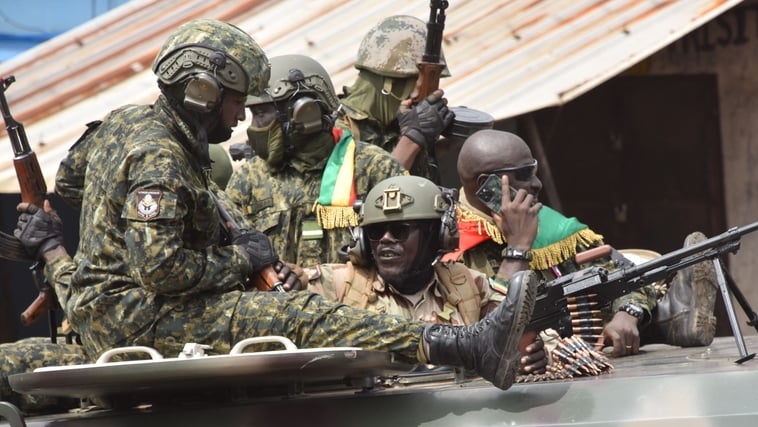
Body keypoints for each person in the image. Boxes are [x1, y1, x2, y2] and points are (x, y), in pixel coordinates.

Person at [11, 18, 539, 392]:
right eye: (238, 100)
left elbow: (72, 179)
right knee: (303, 316)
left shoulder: (126, 123)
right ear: (200, 92)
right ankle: (464, 346)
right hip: (138, 317)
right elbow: (162, 268)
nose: (242, 118)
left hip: (105, 307)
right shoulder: (161, 156)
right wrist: (244, 255)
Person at [447, 129, 718, 356]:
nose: (537, 183)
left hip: (588, 352)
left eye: (535, 171)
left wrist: (628, 313)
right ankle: (670, 319)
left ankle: (671, 320)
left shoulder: (548, 224)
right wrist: (517, 249)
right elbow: (487, 332)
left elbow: (626, 274)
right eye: (524, 174)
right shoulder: (450, 243)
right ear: (487, 184)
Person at [305, 175, 546, 374]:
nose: (385, 240)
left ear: (437, 235)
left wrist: (533, 357)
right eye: (376, 231)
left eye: (400, 231)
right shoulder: (335, 285)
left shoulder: (468, 286)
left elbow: (521, 336)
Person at [225, 54, 407, 268]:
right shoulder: (248, 180)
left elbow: (405, 254)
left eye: (262, 114)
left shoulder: (376, 168)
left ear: (305, 112)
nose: (254, 126)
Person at [336, 15, 454, 179]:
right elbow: (374, 199)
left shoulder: (401, 125)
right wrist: (412, 139)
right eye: (421, 86)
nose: (426, 98)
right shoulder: (333, 131)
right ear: (389, 84)